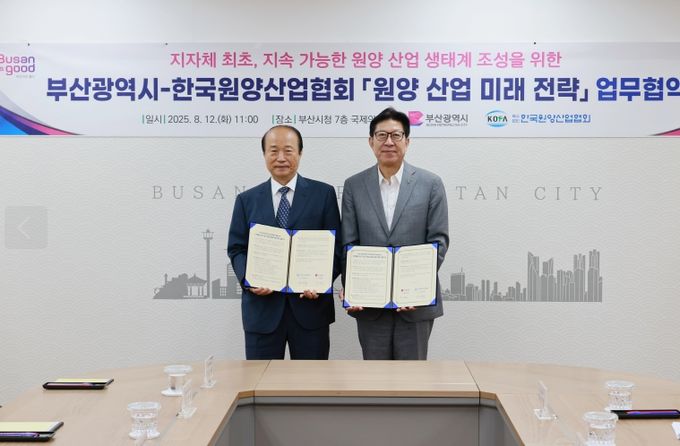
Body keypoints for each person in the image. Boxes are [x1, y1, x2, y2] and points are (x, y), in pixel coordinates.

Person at [341, 107, 449, 360]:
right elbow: (349, 243)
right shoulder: (354, 185)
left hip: (415, 306)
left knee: (412, 379)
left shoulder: (431, 184)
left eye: (396, 135)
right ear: (371, 142)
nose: (388, 142)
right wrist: (352, 287)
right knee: (375, 378)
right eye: (381, 135)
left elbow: (439, 241)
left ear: (407, 141)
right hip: (370, 305)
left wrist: (415, 287)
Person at [228, 125, 341, 360]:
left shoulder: (323, 194)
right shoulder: (247, 200)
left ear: (300, 153)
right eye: (273, 151)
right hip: (262, 311)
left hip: (310, 310)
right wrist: (250, 280)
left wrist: (319, 282)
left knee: (312, 380)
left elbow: (336, 248)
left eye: (288, 150)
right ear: (264, 155)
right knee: (260, 379)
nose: (281, 158)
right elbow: (237, 248)